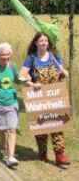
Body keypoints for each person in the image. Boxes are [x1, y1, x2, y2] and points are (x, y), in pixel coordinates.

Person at [19, 32, 70, 168]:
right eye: (41, 41)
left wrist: (64, 72)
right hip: (38, 96)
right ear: (35, 43)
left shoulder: (54, 56)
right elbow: (22, 76)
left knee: (57, 124)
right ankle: (42, 153)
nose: (44, 43)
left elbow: (62, 71)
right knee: (41, 126)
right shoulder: (31, 58)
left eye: (46, 41)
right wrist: (32, 84)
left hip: (54, 95)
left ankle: (60, 155)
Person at [0, 43, 21, 168]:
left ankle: (11, 156)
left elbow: (18, 80)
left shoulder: (12, 66)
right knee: (2, 129)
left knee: (12, 129)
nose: (5, 59)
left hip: (12, 102)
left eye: (8, 56)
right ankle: (4, 149)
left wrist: (31, 84)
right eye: (3, 57)